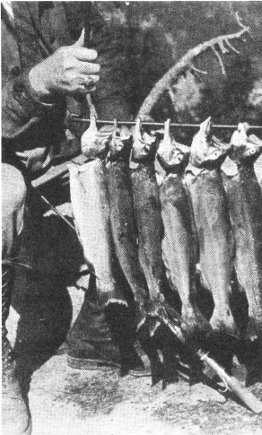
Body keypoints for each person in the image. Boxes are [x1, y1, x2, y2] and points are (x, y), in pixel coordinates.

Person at [2, 3, 144, 434]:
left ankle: (99, 329)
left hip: (44, 151)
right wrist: (38, 83)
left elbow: (107, 65)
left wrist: (116, 135)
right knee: (4, 197)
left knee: (139, 180)